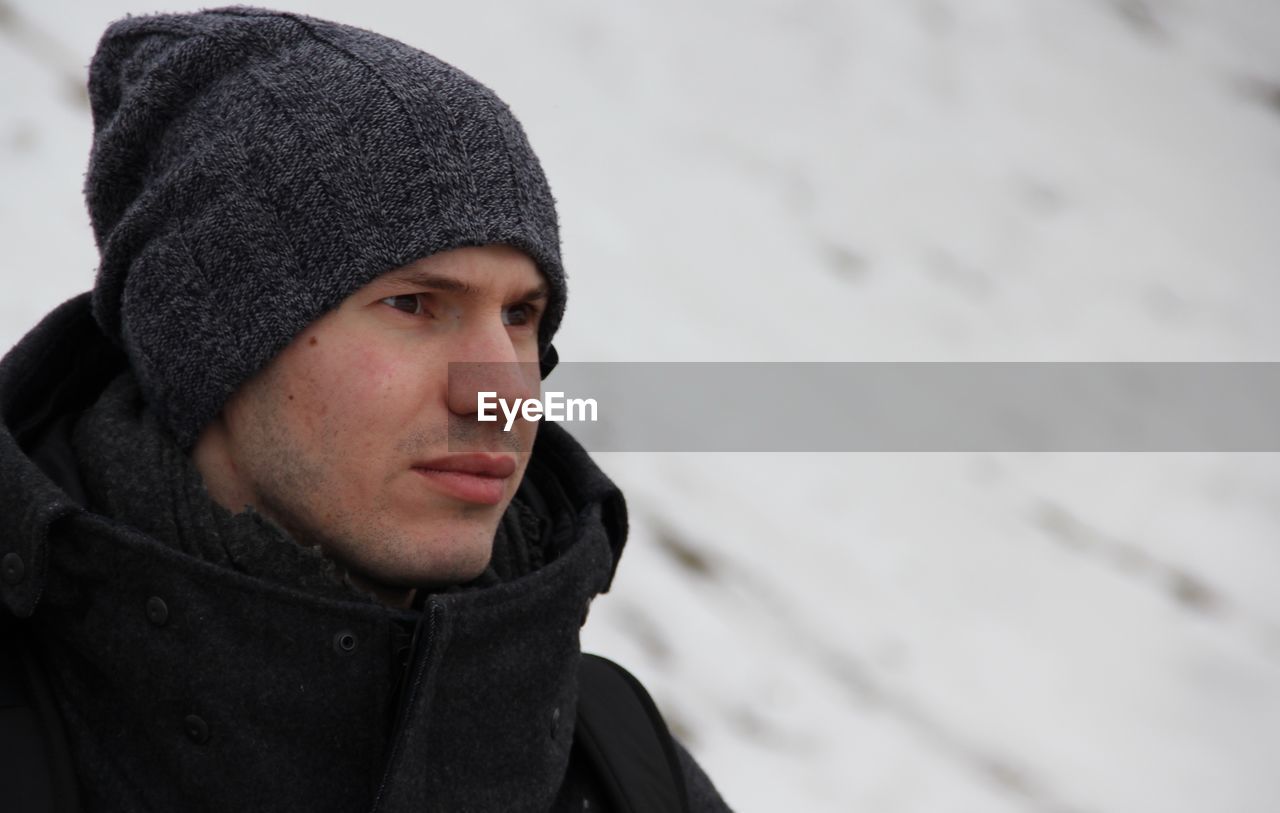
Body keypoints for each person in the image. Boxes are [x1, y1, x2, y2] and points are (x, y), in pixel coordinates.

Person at [0, 7, 731, 811]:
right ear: (210, 340)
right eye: (416, 304)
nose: (502, 393)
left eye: (521, 315)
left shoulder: (622, 769)